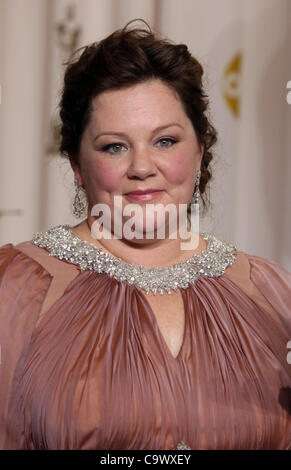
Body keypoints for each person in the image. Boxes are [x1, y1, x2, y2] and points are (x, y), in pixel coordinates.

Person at [0, 19, 291, 451]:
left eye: (166, 141)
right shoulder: (13, 289)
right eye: (114, 146)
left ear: (200, 151)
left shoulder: (273, 292)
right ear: (77, 166)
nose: (141, 167)